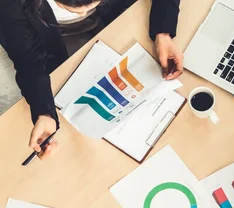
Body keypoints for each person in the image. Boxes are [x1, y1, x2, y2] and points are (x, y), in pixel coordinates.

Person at [0, 0, 184, 160]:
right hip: (54, 34)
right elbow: (29, 60)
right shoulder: (9, 5)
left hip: (119, 14)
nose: (83, 12)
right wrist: (44, 113)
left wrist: (163, 30)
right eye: (73, 6)